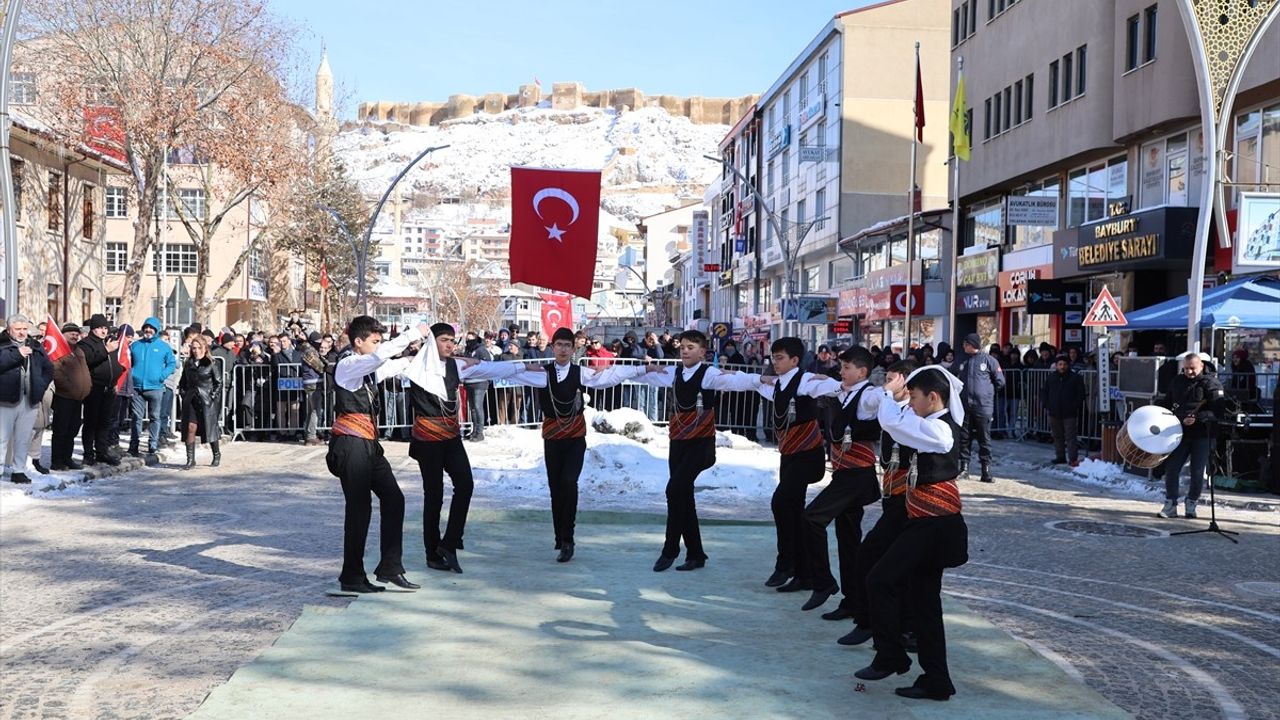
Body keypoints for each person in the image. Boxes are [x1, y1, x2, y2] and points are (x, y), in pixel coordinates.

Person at [855, 365, 969, 702]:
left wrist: (890, 392)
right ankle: (937, 680)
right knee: (925, 605)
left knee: (880, 579)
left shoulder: (940, 431)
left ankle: (891, 654)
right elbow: (898, 424)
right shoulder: (933, 424)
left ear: (933, 397)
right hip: (924, 521)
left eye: (916, 397)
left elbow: (894, 423)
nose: (913, 404)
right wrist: (896, 395)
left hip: (935, 525)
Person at [718, 337, 842, 591]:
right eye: (773, 358)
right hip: (789, 456)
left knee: (781, 502)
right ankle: (802, 573)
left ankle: (786, 564)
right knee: (793, 511)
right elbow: (749, 384)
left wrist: (835, 383)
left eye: (780, 358)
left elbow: (829, 387)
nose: (774, 362)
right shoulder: (776, 384)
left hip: (808, 456)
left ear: (795, 360)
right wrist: (740, 376)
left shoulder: (805, 380)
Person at [507, 327, 642, 562]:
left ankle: (568, 538)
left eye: (567, 345)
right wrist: (472, 367)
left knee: (569, 482)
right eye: (558, 344)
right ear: (552, 346)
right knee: (555, 487)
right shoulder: (542, 373)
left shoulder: (580, 372)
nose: (562, 349)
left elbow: (609, 376)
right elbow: (510, 371)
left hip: (575, 437)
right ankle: (559, 536)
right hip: (552, 437)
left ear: (574, 348)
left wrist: (643, 368)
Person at [401, 323, 522, 574]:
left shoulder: (455, 365)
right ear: (432, 342)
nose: (449, 344)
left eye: (452, 340)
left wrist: (522, 366)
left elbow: (487, 368)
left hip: (451, 435)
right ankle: (432, 552)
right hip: (428, 439)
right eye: (444, 339)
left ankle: (450, 541)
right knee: (433, 495)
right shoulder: (415, 366)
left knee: (465, 484)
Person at [326, 316, 424, 594]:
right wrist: (412, 333)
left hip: (369, 443)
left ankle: (390, 567)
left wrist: (418, 355)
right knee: (359, 509)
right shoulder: (348, 365)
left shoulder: (367, 370)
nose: (378, 345)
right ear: (358, 342)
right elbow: (380, 358)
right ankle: (352, 575)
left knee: (394, 499)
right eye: (374, 340)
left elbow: (391, 365)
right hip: (350, 442)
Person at [632, 330, 743, 572]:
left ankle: (670, 549)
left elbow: (735, 381)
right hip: (679, 442)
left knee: (674, 490)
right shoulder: (674, 372)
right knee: (683, 497)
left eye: (691, 347)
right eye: (682, 346)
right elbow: (645, 377)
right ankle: (696, 554)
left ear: (703, 352)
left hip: (701, 445)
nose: (684, 350)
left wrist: (759, 379)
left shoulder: (709, 373)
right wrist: (639, 370)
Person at [798, 346, 885, 614]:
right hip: (844, 473)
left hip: (857, 475)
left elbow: (881, 400)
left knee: (811, 518)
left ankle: (823, 582)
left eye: (847, 368)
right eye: (841, 367)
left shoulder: (869, 394)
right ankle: (853, 601)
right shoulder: (841, 390)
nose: (841, 371)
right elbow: (816, 386)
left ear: (863, 372)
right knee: (848, 539)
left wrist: (895, 390)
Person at [838, 359, 916, 646]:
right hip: (892, 496)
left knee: (872, 556)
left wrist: (887, 394)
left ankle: (876, 623)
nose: (886, 383)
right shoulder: (890, 406)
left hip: (910, 499)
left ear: (906, 380)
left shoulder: (911, 411)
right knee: (888, 562)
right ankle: (896, 626)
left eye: (892, 378)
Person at [1158, 352, 1225, 519]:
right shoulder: (1177, 381)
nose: (1189, 372)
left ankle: (1191, 503)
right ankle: (1171, 504)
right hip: (1179, 433)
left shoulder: (1211, 383)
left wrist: (1198, 418)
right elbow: (1167, 403)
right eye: (1186, 368)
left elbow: (1219, 410)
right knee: (1172, 469)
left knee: (1197, 471)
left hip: (1203, 434)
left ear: (1201, 366)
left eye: (1192, 368)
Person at [0, 315, 54, 483]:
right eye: (18, 329)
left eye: (24, 329)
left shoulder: (35, 346)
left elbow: (48, 368)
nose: (22, 333)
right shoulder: (2, 344)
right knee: (2, 437)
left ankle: (18, 470)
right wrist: (18, 355)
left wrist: (40, 386)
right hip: (5, 399)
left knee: (23, 438)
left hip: (29, 399)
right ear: (9, 330)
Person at [950, 334, 1004, 483]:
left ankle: (986, 470)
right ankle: (964, 468)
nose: (964, 346)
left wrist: (987, 394)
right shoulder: (961, 359)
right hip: (964, 405)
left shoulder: (989, 361)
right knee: (964, 438)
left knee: (984, 439)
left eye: (966, 344)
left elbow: (1000, 381)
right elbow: (951, 377)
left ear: (973, 344)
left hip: (983, 406)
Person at [129, 316, 177, 458]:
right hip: (137, 387)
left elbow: (172, 364)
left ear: (156, 330)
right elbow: (128, 362)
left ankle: (153, 444)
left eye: (151, 328)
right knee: (136, 417)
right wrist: (132, 374)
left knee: (155, 417)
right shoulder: (135, 345)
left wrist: (162, 376)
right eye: (146, 327)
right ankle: (134, 445)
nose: (148, 330)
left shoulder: (163, 347)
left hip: (156, 387)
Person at [79, 314, 123, 466]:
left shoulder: (108, 342)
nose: (103, 331)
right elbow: (89, 359)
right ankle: (88, 453)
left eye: (105, 328)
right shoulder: (86, 343)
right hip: (94, 387)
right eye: (100, 328)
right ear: (93, 329)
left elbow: (114, 363)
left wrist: (117, 375)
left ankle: (101, 451)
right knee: (91, 421)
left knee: (104, 422)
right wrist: (106, 350)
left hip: (109, 387)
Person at [49, 323, 91, 471]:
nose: (74, 336)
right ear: (63, 335)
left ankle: (67, 458)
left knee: (73, 429)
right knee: (61, 429)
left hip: (78, 398)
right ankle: (57, 460)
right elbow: (56, 372)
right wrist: (69, 386)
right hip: (64, 396)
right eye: (70, 333)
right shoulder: (59, 350)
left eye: (76, 333)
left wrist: (87, 385)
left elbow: (85, 370)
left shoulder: (79, 350)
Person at [177, 334, 223, 469]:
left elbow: (218, 383)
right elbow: (183, 382)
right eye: (194, 348)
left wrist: (212, 397)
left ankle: (216, 454)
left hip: (206, 400)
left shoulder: (211, 363)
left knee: (209, 428)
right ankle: (190, 459)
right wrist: (184, 395)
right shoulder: (189, 363)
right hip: (191, 399)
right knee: (190, 427)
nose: (196, 351)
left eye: (198, 348)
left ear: (204, 348)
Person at [1044, 354, 1085, 466]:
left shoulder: (1075, 378)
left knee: (1070, 437)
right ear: (1056, 365)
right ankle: (1060, 456)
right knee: (1057, 436)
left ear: (1068, 365)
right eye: (1060, 364)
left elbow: (1080, 394)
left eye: (1065, 364)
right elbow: (1044, 392)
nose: (1062, 367)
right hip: (1054, 412)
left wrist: (1074, 406)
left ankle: (1073, 459)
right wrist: (1047, 405)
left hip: (1069, 413)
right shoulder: (1051, 377)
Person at [463, 331, 495, 441]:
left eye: (471, 339)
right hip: (469, 382)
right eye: (467, 339)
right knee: (472, 408)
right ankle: (475, 430)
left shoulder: (481, 350)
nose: (468, 341)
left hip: (480, 382)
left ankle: (480, 432)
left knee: (477, 406)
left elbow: (488, 365)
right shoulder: (467, 350)